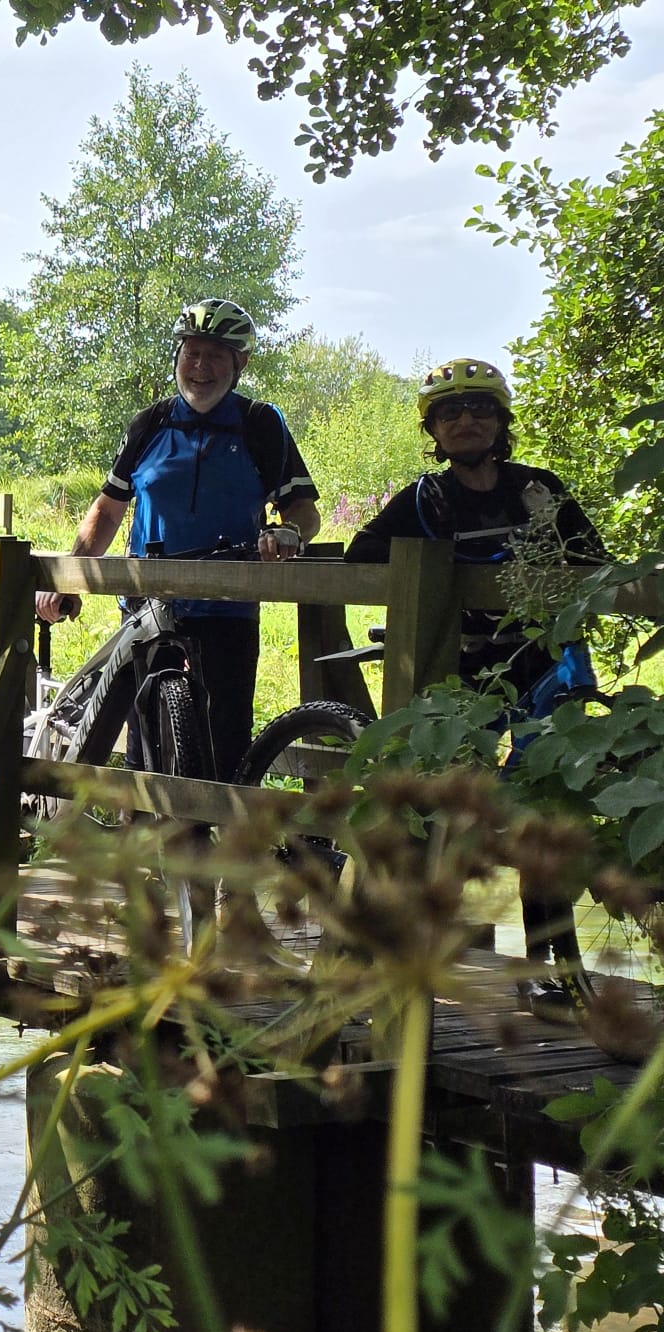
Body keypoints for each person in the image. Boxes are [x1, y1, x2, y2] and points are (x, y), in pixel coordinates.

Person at [346, 358, 606, 1019]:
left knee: (550, 816)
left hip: (545, 667)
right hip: (469, 681)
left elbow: (592, 561)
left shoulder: (537, 491)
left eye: (480, 409)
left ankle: (560, 969)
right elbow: (360, 557)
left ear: (501, 422)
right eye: (451, 412)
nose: (466, 421)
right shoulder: (425, 500)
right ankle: (427, 951)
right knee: (444, 812)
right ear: (432, 428)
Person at [34, 297, 321, 779]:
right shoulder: (150, 424)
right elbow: (106, 511)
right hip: (146, 608)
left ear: (239, 362)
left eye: (215, 356)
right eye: (191, 353)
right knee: (144, 751)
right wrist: (69, 575)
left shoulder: (258, 424)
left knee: (225, 748)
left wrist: (288, 531)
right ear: (176, 358)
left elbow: (305, 512)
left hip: (227, 610)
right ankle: (144, 845)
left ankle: (216, 849)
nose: (201, 367)